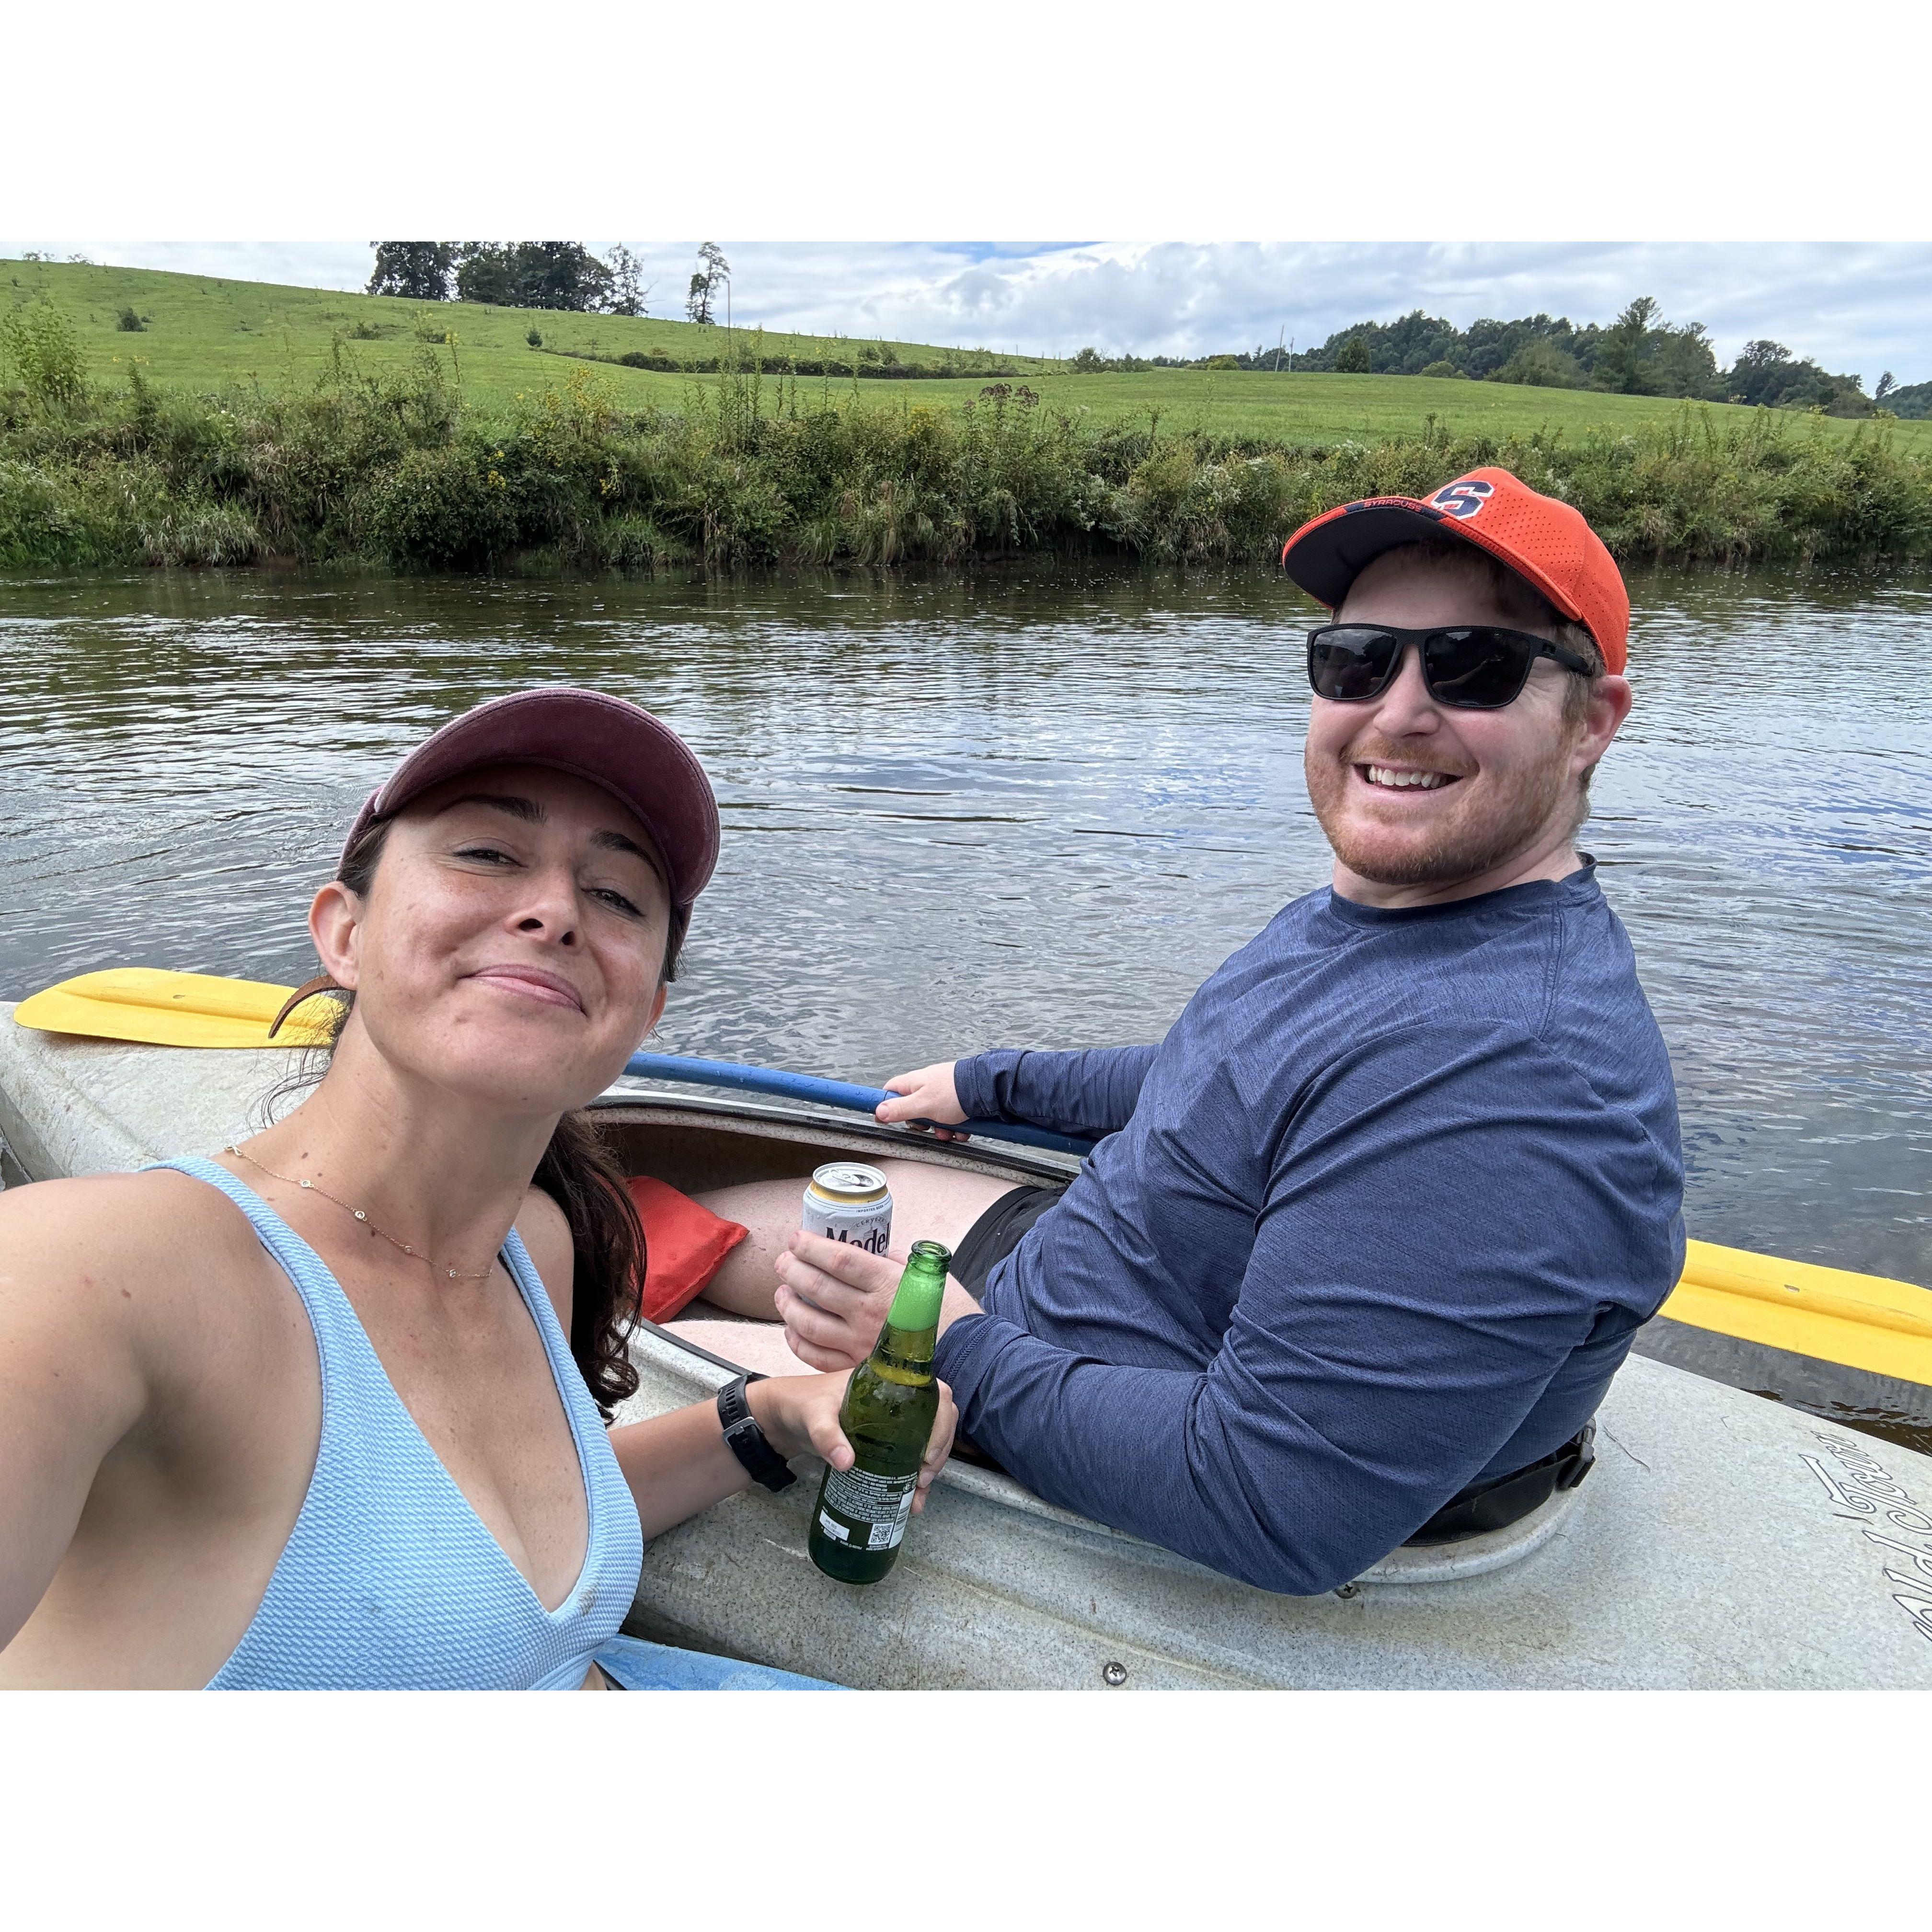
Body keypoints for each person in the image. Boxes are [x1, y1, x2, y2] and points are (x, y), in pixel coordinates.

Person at [684, 467, 1685, 1597]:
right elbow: (1225, 1073)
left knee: (577, 1343)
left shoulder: (1514, 1081)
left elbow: (1274, 1501)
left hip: (1059, 1395)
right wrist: (993, 1080)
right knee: (662, 1215)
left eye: (1473, 666)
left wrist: (947, 1346)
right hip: (1062, 1268)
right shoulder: (1407, 914)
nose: (1398, 711)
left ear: (1593, 720)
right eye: (1357, 660)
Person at [0, 688, 954, 1689]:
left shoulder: (534, 1243)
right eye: (489, 854)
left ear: (648, 1012)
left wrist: (761, 1414)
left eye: (619, 897)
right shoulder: (99, 1277)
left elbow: (477, 1554)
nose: (555, 912)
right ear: (343, 935)